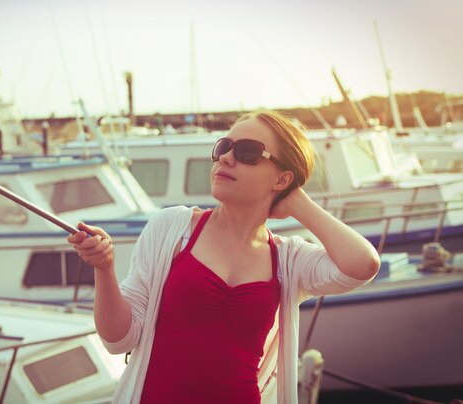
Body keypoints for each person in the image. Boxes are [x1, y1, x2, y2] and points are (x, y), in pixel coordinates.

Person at [67, 110, 380, 403]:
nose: (227, 158)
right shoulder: (171, 227)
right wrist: (104, 269)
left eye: (247, 152)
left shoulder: (288, 259)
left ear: (282, 180)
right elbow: (118, 340)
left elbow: (363, 264)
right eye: (223, 147)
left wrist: (298, 202)